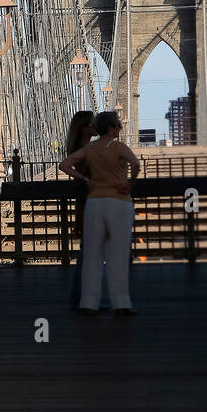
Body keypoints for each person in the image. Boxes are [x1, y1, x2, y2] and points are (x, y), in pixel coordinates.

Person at [59, 110, 140, 315]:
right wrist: (130, 183)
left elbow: (64, 165)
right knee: (117, 255)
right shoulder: (120, 147)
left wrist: (86, 180)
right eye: (119, 125)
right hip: (119, 203)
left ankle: (88, 303)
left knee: (92, 256)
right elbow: (136, 164)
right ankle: (121, 303)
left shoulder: (91, 148)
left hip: (95, 203)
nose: (120, 128)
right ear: (112, 129)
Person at [64, 110, 107, 312]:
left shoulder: (85, 147)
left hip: (90, 202)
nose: (95, 126)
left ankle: (83, 301)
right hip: (88, 204)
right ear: (84, 128)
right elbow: (67, 168)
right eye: (92, 123)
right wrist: (87, 179)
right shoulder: (82, 149)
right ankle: (85, 302)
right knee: (90, 256)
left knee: (89, 255)